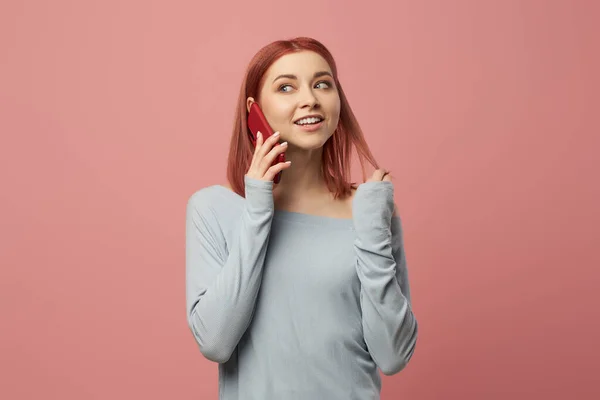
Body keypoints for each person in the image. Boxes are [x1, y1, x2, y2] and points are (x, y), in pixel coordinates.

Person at [186, 36, 418, 400]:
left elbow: (392, 355)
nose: (310, 98)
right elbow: (215, 342)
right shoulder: (215, 209)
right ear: (254, 109)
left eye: (322, 84)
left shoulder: (370, 212)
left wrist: (371, 228)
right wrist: (259, 208)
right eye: (286, 87)